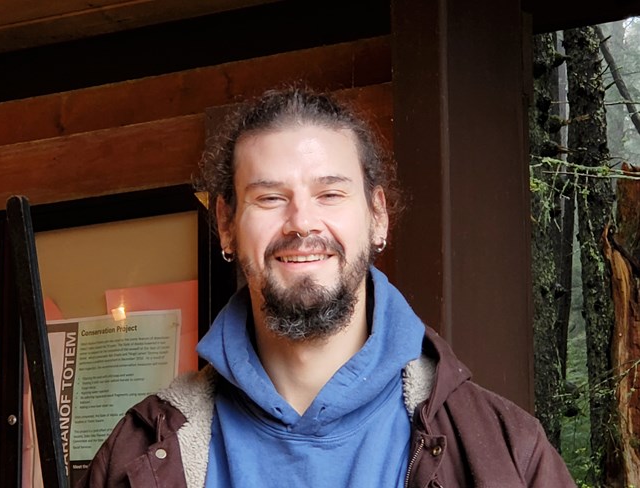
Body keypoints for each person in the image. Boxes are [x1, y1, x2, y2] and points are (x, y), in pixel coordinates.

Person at [79, 87, 576, 487]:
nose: (302, 222)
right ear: (227, 224)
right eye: (270, 197)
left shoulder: (506, 451)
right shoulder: (137, 455)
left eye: (330, 193)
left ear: (377, 216)